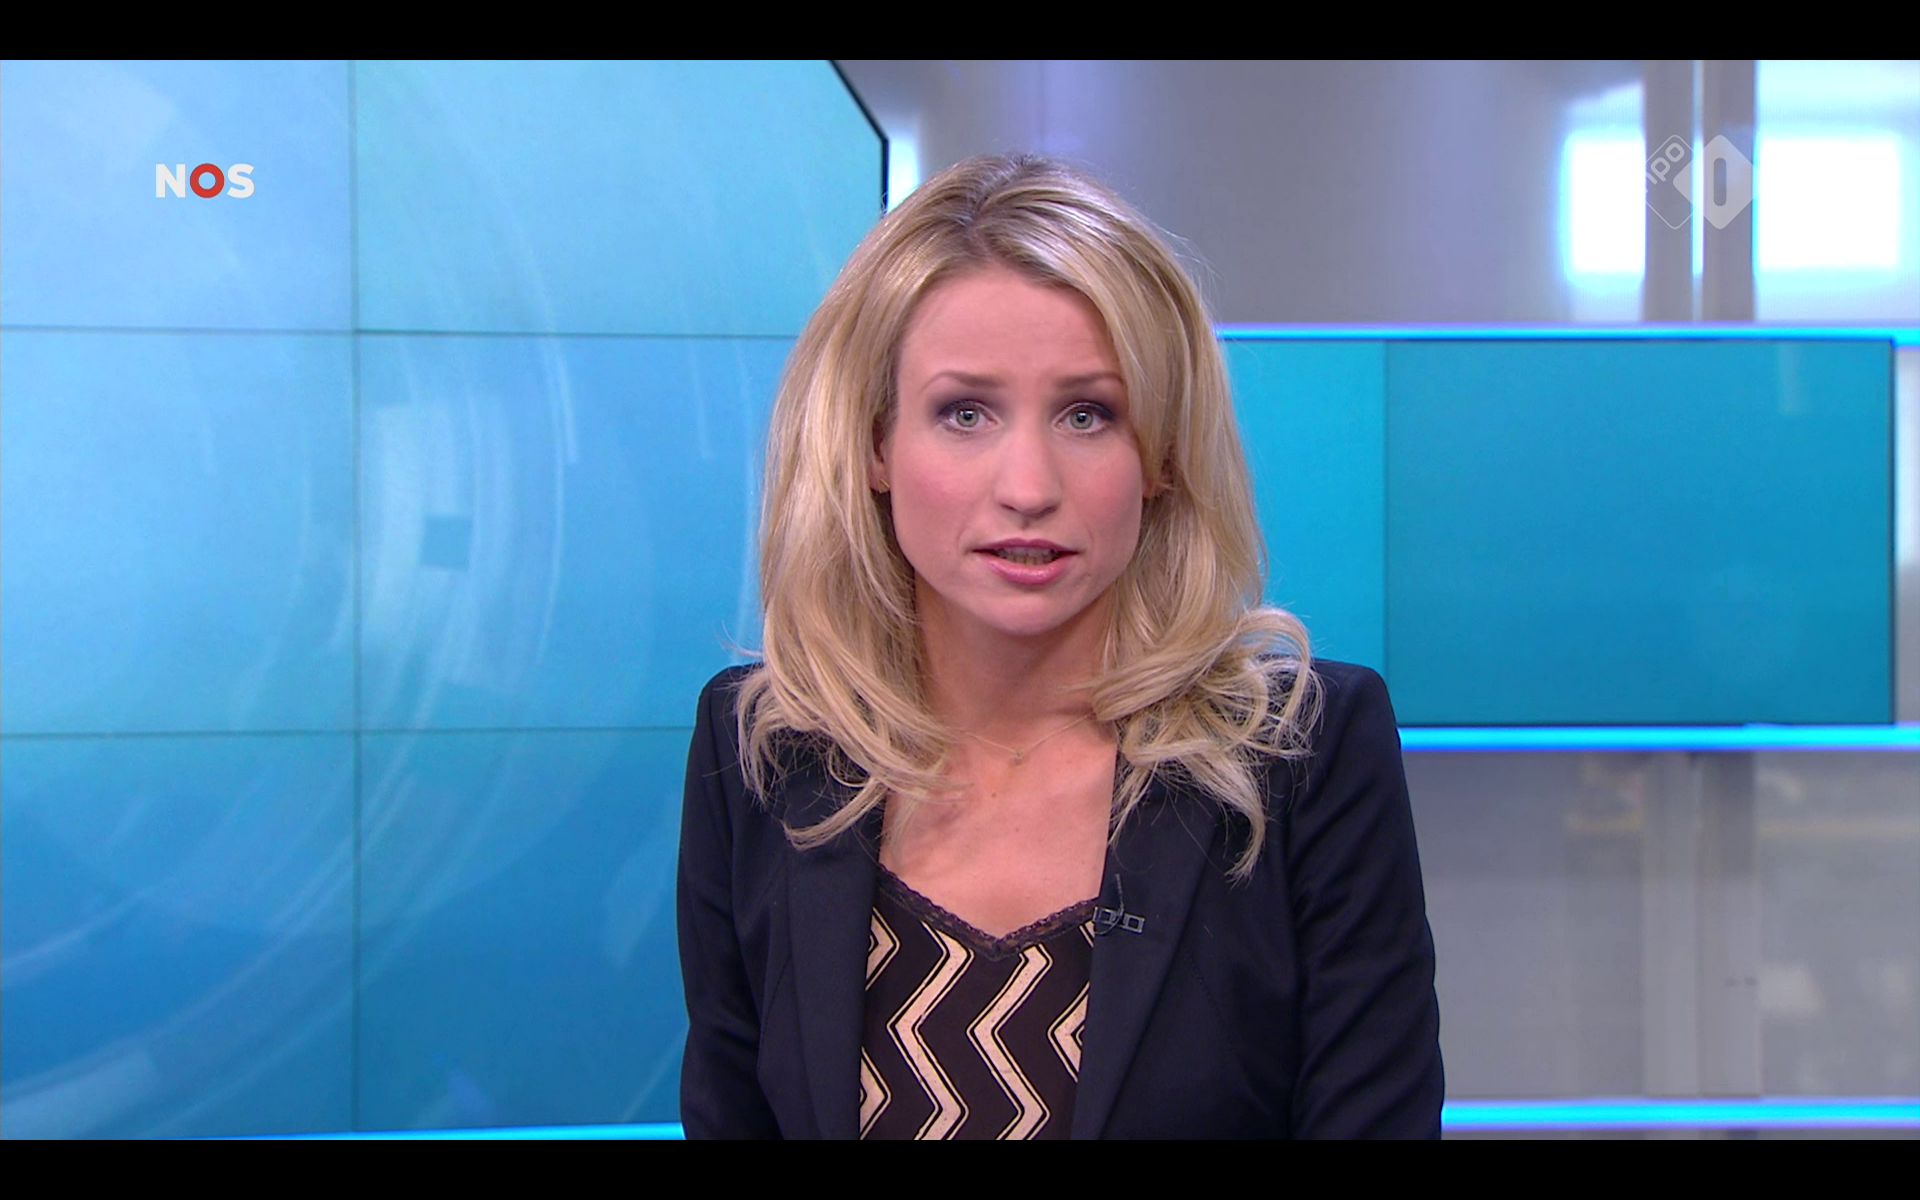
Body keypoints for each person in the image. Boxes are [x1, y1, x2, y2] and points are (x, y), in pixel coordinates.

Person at [677, 153, 1443, 1139]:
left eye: (1088, 414)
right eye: (965, 413)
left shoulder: (1304, 756)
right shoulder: (764, 752)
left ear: (1161, 455)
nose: (1028, 487)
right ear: (872, 444)